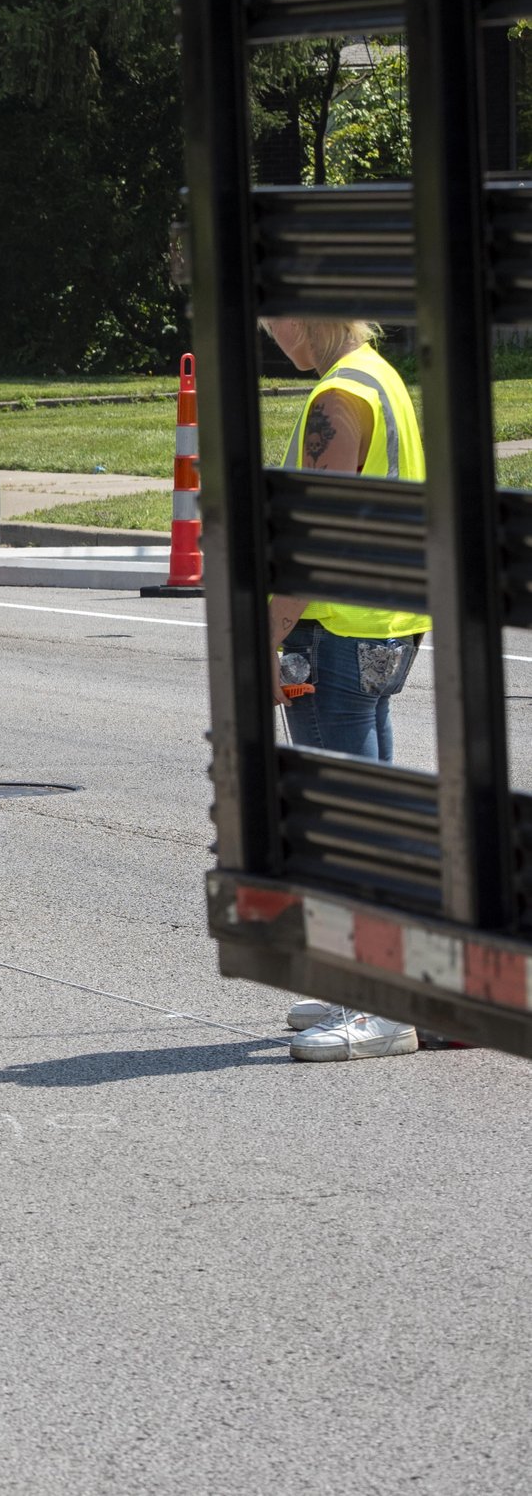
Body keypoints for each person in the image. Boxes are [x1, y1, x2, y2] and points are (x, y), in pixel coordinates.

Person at [263, 315, 427, 1061]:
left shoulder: (337, 396)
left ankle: (379, 1008)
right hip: (387, 622)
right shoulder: (381, 378)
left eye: (273, 318)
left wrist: (264, 634)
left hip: (335, 632)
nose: (270, 334)